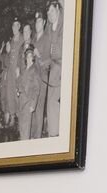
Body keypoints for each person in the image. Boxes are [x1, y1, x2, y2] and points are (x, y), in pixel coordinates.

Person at [43, 2, 64, 138]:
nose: (50, 15)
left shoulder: (65, 23)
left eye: (51, 12)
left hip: (63, 66)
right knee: (51, 101)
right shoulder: (49, 28)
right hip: (53, 68)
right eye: (48, 13)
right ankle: (53, 133)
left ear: (57, 8)